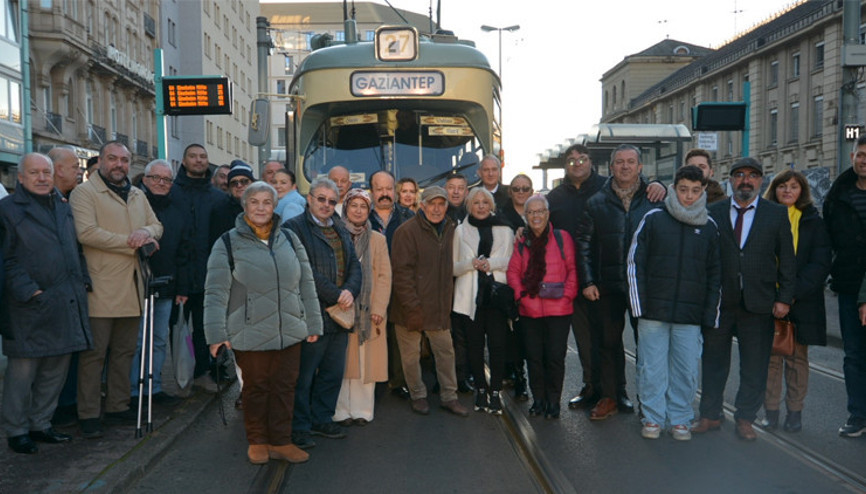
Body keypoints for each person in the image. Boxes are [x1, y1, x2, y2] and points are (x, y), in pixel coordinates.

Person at [204, 181, 322, 465]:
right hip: (249, 330)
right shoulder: (228, 242)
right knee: (256, 389)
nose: (260, 207)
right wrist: (216, 334)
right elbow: (216, 291)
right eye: (254, 202)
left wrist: (314, 322)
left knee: (285, 387)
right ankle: (257, 441)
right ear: (245, 206)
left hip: (290, 329)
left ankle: (281, 441)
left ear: (274, 206)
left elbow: (306, 282)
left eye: (266, 202)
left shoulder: (290, 239)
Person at [693, 157, 796, 441]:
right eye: (739, 175)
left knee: (754, 365)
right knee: (714, 363)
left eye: (752, 176)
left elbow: (787, 259)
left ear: (761, 181)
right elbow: (702, 257)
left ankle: (745, 418)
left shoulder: (775, 214)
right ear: (731, 180)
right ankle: (710, 415)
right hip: (719, 302)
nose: (746, 181)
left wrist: (784, 297)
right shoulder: (712, 210)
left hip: (759, 303)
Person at [69, 141, 163, 439]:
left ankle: (118, 405)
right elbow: (86, 233)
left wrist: (145, 233)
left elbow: (156, 225)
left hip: (135, 287)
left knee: (124, 351)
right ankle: (88, 413)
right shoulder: (84, 193)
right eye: (113, 158)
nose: (119, 164)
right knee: (94, 355)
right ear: (102, 161)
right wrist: (131, 242)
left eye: (124, 159)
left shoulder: (137, 194)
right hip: (101, 287)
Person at [0, 153, 92, 454]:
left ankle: (42, 424)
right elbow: (6, 260)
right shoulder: (8, 211)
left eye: (46, 172)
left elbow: (74, 249)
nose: (42, 178)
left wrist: (83, 280)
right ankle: (17, 430)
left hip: (65, 300)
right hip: (28, 306)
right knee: (22, 373)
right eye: (34, 172)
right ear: (21, 178)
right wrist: (30, 292)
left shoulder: (63, 207)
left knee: (55, 370)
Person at [627, 165, 721, 441]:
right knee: (652, 368)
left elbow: (716, 274)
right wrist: (638, 306)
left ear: (703, 190)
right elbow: (635, 262)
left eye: (695, 190)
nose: (688, 196)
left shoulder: (709, 226)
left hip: (690, 315)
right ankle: (653, 417)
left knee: (686, 369)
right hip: (654, 312)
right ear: (674, 188)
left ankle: (680, 417)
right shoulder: (654, 218)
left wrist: (710, 314)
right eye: (683, 190)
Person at [576, 144, 662, 420]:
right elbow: (584, 246)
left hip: (644, 288)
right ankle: (611, 396)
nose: (625, 166)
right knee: (608, 343)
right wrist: (588, 281)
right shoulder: (596, 202)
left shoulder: (655, 199)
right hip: (607, 286)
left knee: (648, 345)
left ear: (640, 167)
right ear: (611, 167)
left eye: (631, 162)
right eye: (620, 162)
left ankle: (648, 402)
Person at [284, 177, 362, 449]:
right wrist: (337, 294)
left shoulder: (339, 227)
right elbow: (301, 271)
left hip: (340, 315)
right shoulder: (293, 229)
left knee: (332, 372)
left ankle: (322, 418)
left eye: (332, 200)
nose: (326, 205)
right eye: (321, 199)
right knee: (304, 376)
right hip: (311, 314)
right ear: (309, 198)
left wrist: (351, 290)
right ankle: (300, 427)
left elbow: (354, 265)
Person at [760, 170, 831, 433]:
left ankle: (795, 413)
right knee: (771, 359)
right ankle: (771, 411)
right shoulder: (764, 218)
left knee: (797, 359)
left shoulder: (813, 221)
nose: (788, 191)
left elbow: (820, 263)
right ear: (774, 190)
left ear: (802, 191)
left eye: (793, 186)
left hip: (803, 301)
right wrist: (774, 295)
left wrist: (790, 295)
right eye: (782, 186)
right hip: (769, 300)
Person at [390, 186, 470, 417]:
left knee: (446, 352)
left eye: (441, 204)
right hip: (410, 308)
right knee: (410, 356)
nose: (436, 208)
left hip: (438, 306)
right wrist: (412, 308)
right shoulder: (406, 231)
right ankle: (418, 395)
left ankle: (449, 396)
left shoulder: (451, 229)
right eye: (431, 204)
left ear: (447, 206)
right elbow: (401, 274)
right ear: (421, 205)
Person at [547, 144, 608, 410]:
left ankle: (615, 392)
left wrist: (658, 187)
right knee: (584, 339)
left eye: (582, 159)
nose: (577, 164)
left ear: (591, 161)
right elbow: (540, 228)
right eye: (571, 161)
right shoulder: (555, 196)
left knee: (609, 339)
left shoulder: (608, 187)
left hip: (605, 275)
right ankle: (591, 387)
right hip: (572, 280)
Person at [507, 194, 577, 419]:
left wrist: (567, 296)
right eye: (531, 212)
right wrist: (522, 297)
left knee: (555, 357)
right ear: (525, 216)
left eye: (540, 211)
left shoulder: (562, 238)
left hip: (559, 310)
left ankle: (553, 401)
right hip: (530, 310)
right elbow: (513, 273)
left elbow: (573, 270)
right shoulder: (521, 242)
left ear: (547, 214)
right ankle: (538, 399)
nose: (536, 216)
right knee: (534, 357)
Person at [130, 160, 193, 407]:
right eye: (155, 178)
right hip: (136, 286)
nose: (161, 183)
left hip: (167, 286)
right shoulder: (133, 206)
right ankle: (134, 390)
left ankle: (154, 388)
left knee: (158, 340)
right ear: (145, 180)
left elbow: (185, 252)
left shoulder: (178, 211)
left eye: (166, 179)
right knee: (136, 342)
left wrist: (182, 288)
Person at [452, 188, 514, 414]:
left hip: (496, 297)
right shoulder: (459, 231)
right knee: (474, 347)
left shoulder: (505, 229)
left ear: (491, 205)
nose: (480, 206)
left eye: (484, 202)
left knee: (498, 346)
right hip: (471, 299)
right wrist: (471, 263)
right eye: (476, 202)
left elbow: (511, 261)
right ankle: (480, 388)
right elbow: (453, 267)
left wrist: (491, 263)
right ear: (469, 206)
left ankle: (495, 391)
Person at [333, 189, 392, 425]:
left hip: (370, 313)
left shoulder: (378, 239)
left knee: (365, 363)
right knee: (342, 363)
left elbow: (385, 277)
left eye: (363, 206)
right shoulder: (335, 236)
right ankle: (341, 411)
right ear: (346, 208)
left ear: (369, 211)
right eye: (353, 205)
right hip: (342, 310)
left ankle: (362, 411)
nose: (358, 210)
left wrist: (379, 308)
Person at [172, 143, 225, 393]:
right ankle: (178, 375)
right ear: (184, 161)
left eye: (203, 156)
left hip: (209, 275)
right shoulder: (171, 193)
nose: (198, 160)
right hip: (178, 276)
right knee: (176, 329)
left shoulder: (218, 197)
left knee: (205, 330)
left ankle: (203, 372)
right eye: (193, 156)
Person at [824, 134, 866, 438]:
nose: (864, 160)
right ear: (853, 157)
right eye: (861, 154)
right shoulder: (838, 194)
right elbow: (828, 239)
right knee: (853, 354)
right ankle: (858, 415)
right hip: (850, 286)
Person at [367, 170, 414, 400]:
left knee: (398, 334)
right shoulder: (361, 215)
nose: (384, 194)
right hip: (371, 286)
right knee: (373, 333)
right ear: (371, 192)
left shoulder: (409, 216)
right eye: (379, 189)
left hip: (401, 284)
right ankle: (374, 380)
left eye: (388, 189)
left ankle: (398, 381)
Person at [498, 174, 533, 401]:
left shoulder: (541, 213)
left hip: (536, 283)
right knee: (512, 335)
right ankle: (519, 379)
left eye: (525, 188)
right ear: (510, 191)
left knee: (532, 336)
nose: (521, 192)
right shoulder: (500, 215)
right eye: (516, 188)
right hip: (509, 281)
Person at [209, 160, 254, 248]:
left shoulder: (262, 207)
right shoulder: (220, 211)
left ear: (252, 183)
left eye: (244, 181)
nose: (239, 185)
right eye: (234, 183)